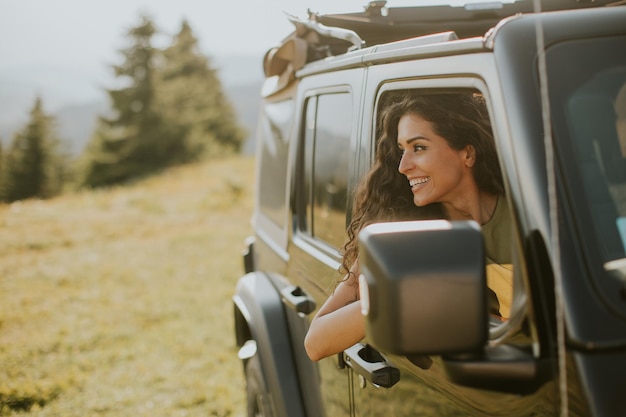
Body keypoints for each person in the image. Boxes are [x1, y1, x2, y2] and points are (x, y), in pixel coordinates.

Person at [304, 91, 512, 362]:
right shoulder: (402, 237)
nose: (403, 166)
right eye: (402, 150)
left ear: (468, 153)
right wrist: (394, 299)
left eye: (419, 148)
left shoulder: (529, 215)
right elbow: (316, 342)